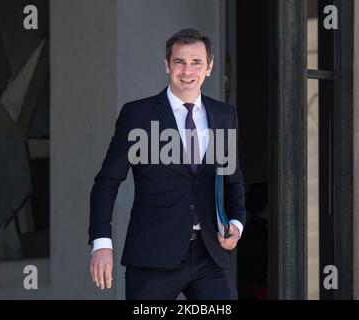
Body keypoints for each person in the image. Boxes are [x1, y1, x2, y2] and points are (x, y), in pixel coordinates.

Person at [88, 29, 246, 300]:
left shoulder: (224, 115)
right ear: (167, 65)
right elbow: (107, 182)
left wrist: (236, 223)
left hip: (209, 254)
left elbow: (233, 179)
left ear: (209, 68)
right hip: (152, 257)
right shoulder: (138, 115)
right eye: (179, 62)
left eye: (196, 62)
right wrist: (101, 243)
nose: (187, 71)